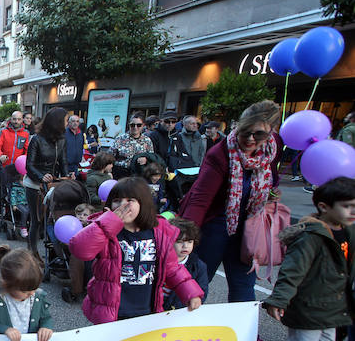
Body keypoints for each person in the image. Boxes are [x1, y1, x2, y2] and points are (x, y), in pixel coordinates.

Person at [69, 177, 203, 341]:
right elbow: (80, 249)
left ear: (144, 203)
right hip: (110, 311)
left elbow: (173, 267)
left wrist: (191, 291)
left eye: (129, 200)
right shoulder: (105, 230)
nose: (123, 206)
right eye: (117, 200)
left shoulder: (161, 232)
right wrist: (110, 221)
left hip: (144, 310)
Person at [253, 177, 355, 341]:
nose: (352, 212)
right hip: (307, 305)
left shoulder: (348, 231)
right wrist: (279, 299)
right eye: (347, 206)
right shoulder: (310, 237)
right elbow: (292, 272)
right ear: (324, 206)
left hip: (331, 306)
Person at [180, 100, 283, 303]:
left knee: (244, 284)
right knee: (197, 282)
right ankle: (182, 329)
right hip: (216, 224)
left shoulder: (273, 146)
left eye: (259, 134)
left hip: (249, 226)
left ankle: (244, 333)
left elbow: (273, 176)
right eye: (245, 132)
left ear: (271, 132)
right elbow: (200, 200)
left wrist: (271, 192)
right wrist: (185, 234)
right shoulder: (220, 153)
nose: (250, 139)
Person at [25, 107, 68, 255]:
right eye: (66, 120)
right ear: (57, 122)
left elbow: (63, 162)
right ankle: (32, 252)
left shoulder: (62, 140)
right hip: (35, 185)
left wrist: (67, 177)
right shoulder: (36, 139)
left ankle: (54, 253)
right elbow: (29, 165)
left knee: (53, 219)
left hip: (53, 184)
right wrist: (41, 176)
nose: (67, 123)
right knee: (36, 220)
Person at [164, 218, 209, 309]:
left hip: (180, 309)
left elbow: (202, 290)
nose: (186, 246)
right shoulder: (160, 260)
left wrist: (195, 302)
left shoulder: (198, 266)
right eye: (180, 242)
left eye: (190, 241)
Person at [0, 110, 31, 218]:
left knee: (17, 189)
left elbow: (27, 149)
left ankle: (15, 212)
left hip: (18, 168)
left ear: (22, 120)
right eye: (14, 119)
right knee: (3, 190)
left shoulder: (25, 133)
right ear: (11, 119)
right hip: (5, 167)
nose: (16, 121)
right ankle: (0, 210)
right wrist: (0, 155)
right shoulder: (3, 131)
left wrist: (24, 161)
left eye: (19, 119)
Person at [63, 203, 98, 303]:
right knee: (77, 261)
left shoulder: (93, 227)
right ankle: (77, 290)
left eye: (85, 215)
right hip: (76, 252)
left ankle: (92, 286)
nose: (81, 217)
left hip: (91, 252)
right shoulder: (71, 226)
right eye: (79, 214)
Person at [112, 113, 155, 178]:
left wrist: (146, 160)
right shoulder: (119, 139)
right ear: (129, 125)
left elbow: (151, 157)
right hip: (121, 174)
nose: (135, 127)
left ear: (143, 125)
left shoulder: (147, 140)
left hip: (139, 174)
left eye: (139, 125)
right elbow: (110, 157)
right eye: (132, 125)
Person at [64, 114, 85, 178]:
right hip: (66, 165)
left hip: (76, 165)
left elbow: (81, 146)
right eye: (73, 121)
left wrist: (82, 156)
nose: (75, 123)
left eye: (77, 121)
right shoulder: (64, 133)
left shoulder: (80, 133)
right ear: (69, 122)